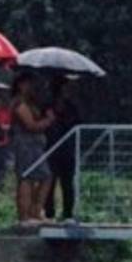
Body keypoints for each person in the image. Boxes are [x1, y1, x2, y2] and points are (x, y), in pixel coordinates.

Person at [11, 71, 56, 224]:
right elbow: (30, 125)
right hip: (25, 145)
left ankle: (36, 210)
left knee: (45, 176)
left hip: (36, 145)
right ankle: (24, 216)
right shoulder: (19, 104)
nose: (31, 87)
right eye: (27, 84)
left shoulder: (32, 103)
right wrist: (47, 121)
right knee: (26, 177)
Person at [44, 76, 81, 221]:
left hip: (68, 148)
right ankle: (49, 212)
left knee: (67, 182)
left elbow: (77, 123)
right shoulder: (47, 106)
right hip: (51, 147)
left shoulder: (71, 106)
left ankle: (67, 213)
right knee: (50, 181)